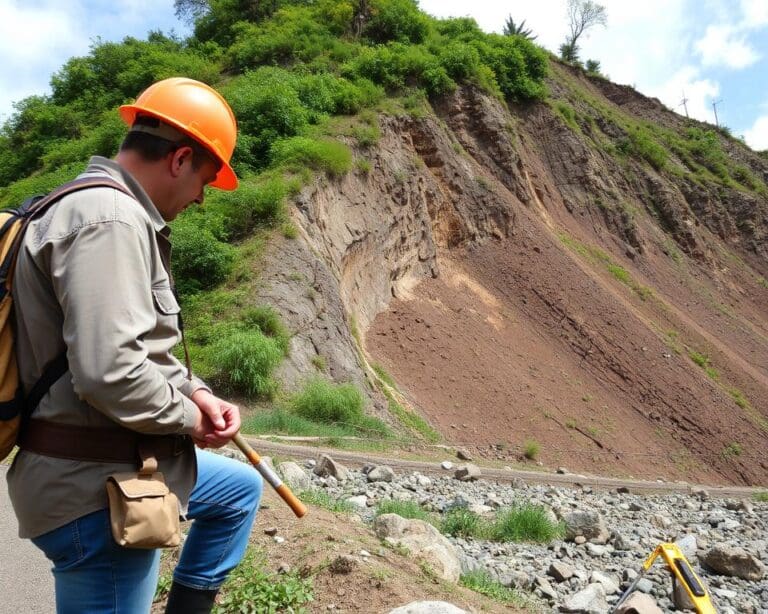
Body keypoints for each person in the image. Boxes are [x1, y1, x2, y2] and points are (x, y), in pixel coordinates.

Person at [7, 77, 263, 614]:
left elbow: (137, 349)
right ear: (181, 159)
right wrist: (189, 420)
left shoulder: (93, 208)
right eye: (205, 181)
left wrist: (198, 394)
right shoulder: (111, 219)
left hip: (110, 464)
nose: (200, 198)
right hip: (97, 493)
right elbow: (110, 372)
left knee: (238, 492)